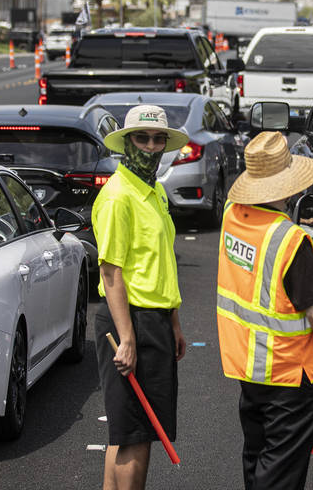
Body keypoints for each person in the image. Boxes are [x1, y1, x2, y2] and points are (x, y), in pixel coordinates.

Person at [216, 131, 313, 490]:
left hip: (248, 369)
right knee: (279, 475)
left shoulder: (232, 216)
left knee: (257, 461)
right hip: (288, 374)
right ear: (287, 185)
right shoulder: (289, 239)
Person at [92, 105, 189, 490]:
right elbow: (111, 272)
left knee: (128, 430)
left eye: (158, 139)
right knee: (134, 432)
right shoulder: (118, 196)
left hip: (156, 320)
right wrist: (128, 338)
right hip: (130, 320)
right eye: (142, 138)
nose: (151, 147)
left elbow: (161, 260)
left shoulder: (156, 191)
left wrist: (174, 322)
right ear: (127, 143)